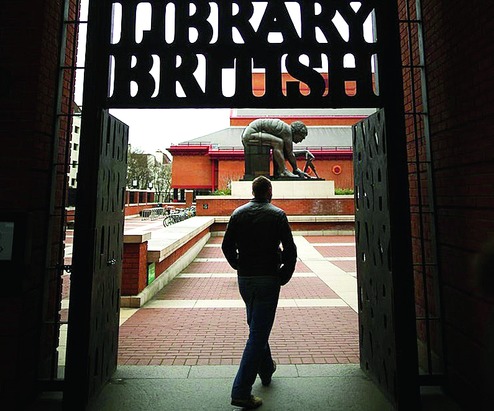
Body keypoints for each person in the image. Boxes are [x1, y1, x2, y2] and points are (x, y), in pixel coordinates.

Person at [222, 175, 297, 409]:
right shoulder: (278, 215)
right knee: (257, 333)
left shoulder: (238, 214)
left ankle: (266, 369)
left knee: (256, 326)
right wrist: (284, 275)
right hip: (268, 278)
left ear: (253, 192)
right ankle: (241, 391)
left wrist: (238, 264)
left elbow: (226, 246)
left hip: (245, 279)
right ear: (269, 191)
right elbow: (290, 249)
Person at [241, 118, 310, 178]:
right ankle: (283, 172)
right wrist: (296, 169)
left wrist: (303, 153)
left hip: (251, 134)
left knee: (279, 143)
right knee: (278, 143)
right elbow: (289, 153)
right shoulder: (287, 131)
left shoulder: (285, 130)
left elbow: (285, 153)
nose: (301, 141)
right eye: (301, 137)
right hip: (250, 135)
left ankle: (278, 172)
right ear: (297, 133)